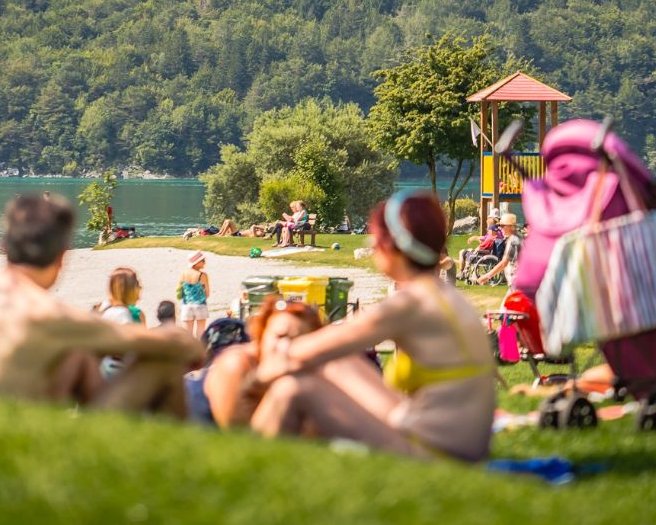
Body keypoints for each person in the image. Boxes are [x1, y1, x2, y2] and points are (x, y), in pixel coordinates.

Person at [250, 191, 497, 462]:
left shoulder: (410, 303)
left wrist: (253, 378)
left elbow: (304, 353)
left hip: (438, 451)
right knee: (338, 362)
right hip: (463, 441)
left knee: (294, 388)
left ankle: (251, 461)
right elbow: (336, 341)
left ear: (391, 247)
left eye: (374, 242)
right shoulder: (441, 294)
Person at [0, 194, 200, 411]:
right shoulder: (43, 312)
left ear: (4, 247)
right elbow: (179, 347)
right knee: (163, 362)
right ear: (62, 256)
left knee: (77, 355)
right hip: (1, 446)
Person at [203, 299, 325, 427]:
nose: (285, 347)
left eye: (298, 340)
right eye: (280, 336)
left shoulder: (307, 369)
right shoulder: (236, 364)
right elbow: (237, 434)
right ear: (261, 336)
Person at [474, 211, 523, 285]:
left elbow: (504, 263)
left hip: (517, 282)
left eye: (502, 226)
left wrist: (487, 276)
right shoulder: (519, 237)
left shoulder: (513, 240)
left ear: (510, 226)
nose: (500, 228)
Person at [177, 252, 210, 337]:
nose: (204, 262)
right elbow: (207, 293)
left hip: (187, 305)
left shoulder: (183, 274)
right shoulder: (202, 275)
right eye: (203, 260)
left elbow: (179, 291)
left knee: (188, 333)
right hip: (200, 304)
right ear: (197, 262)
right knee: (200, 331)